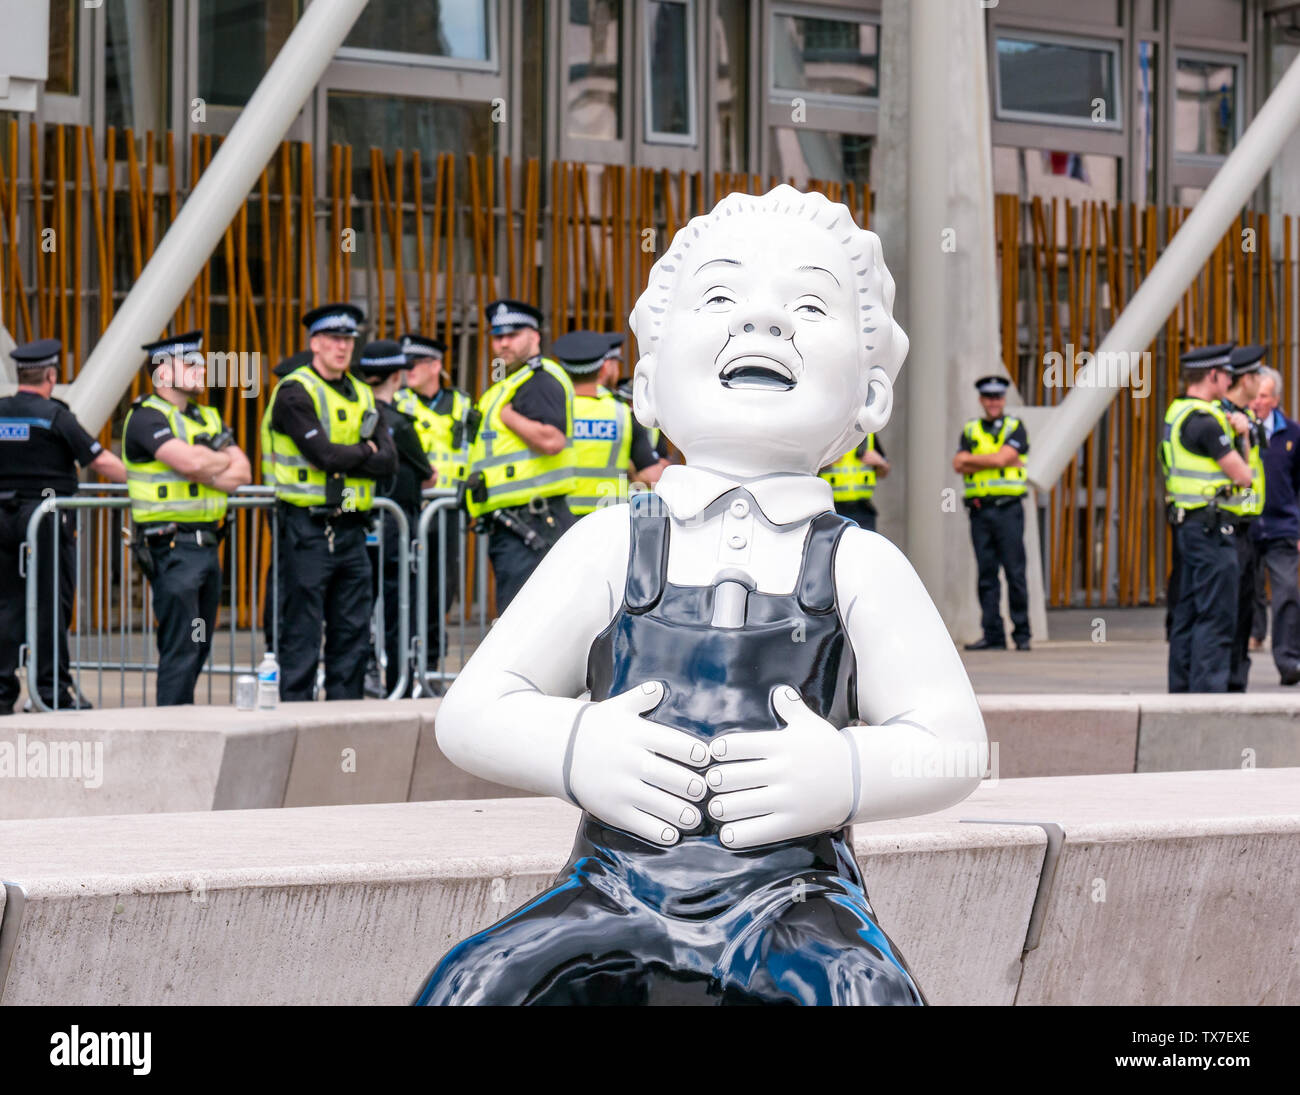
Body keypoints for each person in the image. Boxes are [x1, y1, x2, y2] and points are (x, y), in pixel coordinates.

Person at [416, 185, 986, 1006]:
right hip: (613, 889)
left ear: (870, 396)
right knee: (477, 984)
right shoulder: (615, 541)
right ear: (646, 386)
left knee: (864, 993)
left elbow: (956, 742)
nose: (763, 324)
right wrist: (578, 747)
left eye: (809, 306)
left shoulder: (858, 564)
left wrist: (847, 771)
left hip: (793, 900)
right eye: (721, 296)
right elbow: (472, 710)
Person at [264, 303, 396, 701]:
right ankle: (296, 711)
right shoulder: (294, 391)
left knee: (352, 628)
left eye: (349, 340)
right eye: (335, 340)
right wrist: (365, 450)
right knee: (302, 627)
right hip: (305, 525)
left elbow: (388, 461)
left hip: (353, 524)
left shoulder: (360, 391)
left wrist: (356, 453)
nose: (343, 347)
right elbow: (324, 456)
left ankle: (343, 714)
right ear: (315, 343)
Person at [124, 331, 251, 705]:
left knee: (200, 642)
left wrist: (203, 468)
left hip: (207, 546)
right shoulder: (145, 416)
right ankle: (172, 727)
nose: (201, 369)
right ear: (163, 373)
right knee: (181, 647)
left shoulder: (205, 416)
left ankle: (182, 718)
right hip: (171, 547)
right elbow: (190, 461)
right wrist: (208, 462)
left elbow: (242, 472)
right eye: (190, 363)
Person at [0, 339, 125, 713]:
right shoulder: (55, 415)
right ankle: (51, 691)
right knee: (51, 604)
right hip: (45, 522)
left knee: (5, 605)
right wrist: (143, 482)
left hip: (2, 520)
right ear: (51, 375)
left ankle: (3, 692)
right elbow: (99, 460)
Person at [465, 299, 577, 612]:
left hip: (534, 522)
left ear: (535, 336)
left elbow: (552, 440)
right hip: (516, 523)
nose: (503, 343)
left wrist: (509, 417)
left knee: (524, 618)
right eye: (497, 336)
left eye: (513, 335)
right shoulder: (509, 383)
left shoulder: (539, 380)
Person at [1162, 344, 1254, 693]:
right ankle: (1208, 695)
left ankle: (1182, 689)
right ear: (1212, 375)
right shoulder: (1203, 421)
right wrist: (1242, 434)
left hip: (1188, 525)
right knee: (1217, 614)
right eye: (1226, 374)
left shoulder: (1177, 412)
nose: (1230, 380)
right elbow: (1242, 476)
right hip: (1211, 529)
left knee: (1187, 611)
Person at [394, 332, 475, 688]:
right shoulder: (397, 403)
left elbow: (477, 455)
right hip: (407, 511)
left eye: (414, 365)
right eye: (404, 365)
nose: (407, 371)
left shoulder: (463, 405)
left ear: (436, 367)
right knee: (405, 591)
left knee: (440, 592)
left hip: (447, 512)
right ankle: (402, 669)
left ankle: (429, 666)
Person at [356, 340, 433, 698]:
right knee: (399, 607)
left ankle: (362, 679)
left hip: (358, 524)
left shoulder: (356, 414)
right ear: (398, 375)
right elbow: (427, 474)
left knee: (356, 607)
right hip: (396, 527)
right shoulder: (399, 423)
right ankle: (398, 684)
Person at [953, 375, 1030, 651]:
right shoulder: (971, 429)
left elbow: (1000, 459)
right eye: (988, 397)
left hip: (1008, 511)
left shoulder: (1015, 427)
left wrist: (976, 461)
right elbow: (958, 464)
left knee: (1015, 573)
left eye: (998, 397)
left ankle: (1022, 635)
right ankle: (994, 635)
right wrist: (993, 460)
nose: (993, 402)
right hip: (980, 512)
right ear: (981, 400)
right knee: (987, 575)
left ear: (1004, 399)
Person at [552, 330, 665, 515]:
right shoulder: (621, 413)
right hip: (609, 517)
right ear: (603, 368)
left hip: (558, 517)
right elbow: (652, 476)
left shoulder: (550, 411)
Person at [1248, 363, 1300, 685]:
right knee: (1244, 591)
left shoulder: (1293, 434)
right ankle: (1241, 653)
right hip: (1248, 523)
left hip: (1282, 525)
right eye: (1255, 395)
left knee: (1287, 592)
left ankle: (1289, 660)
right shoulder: (1239, 428)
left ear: (1276, 399)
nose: (1257, 402)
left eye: (1264, 396)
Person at [1219, 345, 1267, 691]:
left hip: (1248, 525)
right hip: (1225, 526)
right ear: (1246, 379)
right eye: (1259, 374)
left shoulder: (1246, 418)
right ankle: (1222, 682)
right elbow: (1240, 476)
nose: (1262, 381)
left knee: (1245, 608)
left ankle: (1237, 681)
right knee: (1226, 610)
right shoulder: (1223, 418)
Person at [819, 434, 889, 531]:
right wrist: (825, 461)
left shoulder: (868, 434)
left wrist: (881, 463)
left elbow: (884, 472)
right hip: (831, 509)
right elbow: (805, 469)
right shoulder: (829, 432)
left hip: (862, 510)